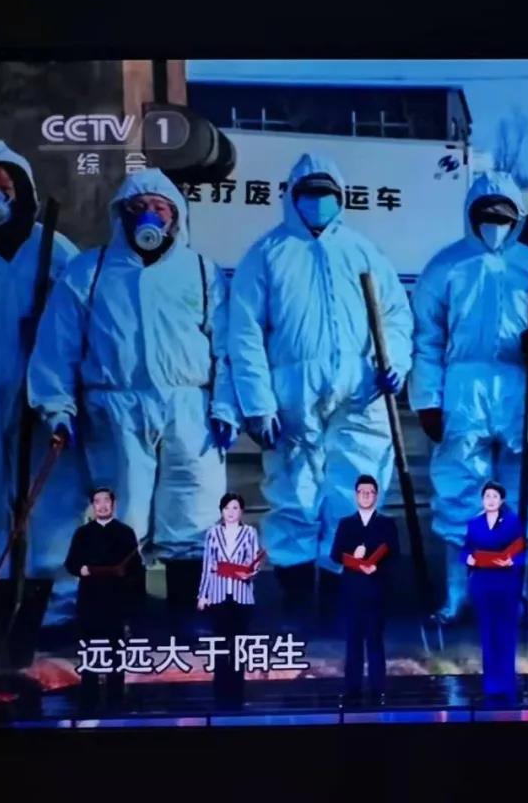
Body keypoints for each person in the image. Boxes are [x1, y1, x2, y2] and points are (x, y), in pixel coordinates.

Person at [29, 169, 239, 629]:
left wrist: (225, 405)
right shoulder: (90, 270)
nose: (149, 216)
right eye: (137, 208)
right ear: (120, 216)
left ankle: (189, 618)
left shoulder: (201, 271)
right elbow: (58, 344)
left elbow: (226, 347)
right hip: (114, 409)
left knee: (194, 511)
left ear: (175, 217)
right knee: (122, 517)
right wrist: (57, 406)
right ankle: (123, 621)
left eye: (159, 208)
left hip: (190, 408)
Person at [229, 153, 411, 625]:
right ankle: (295, 596)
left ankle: (338, 593)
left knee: (354, 491)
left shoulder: (364, 252)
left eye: (327, 192)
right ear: (292, 197)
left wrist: (394, 363)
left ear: (341, 196)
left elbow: (395, 316)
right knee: (296, 493)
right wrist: (257, 401)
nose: (319, 201)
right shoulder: (266, 254)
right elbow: (244, 332)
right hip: (293, 393)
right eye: (310, 192)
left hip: (361, 391)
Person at [410, 171, 528, 626]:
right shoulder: (446, 267)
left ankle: (521, 590)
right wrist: (428, 398)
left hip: (525, 386)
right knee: (459, 487)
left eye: (504, 216)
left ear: (518, 218)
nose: (495, 224)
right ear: (470, 215)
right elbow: (426, 339)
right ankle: (458, 591)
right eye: (486, 215)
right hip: (464, 387)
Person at [0, 140, 84, 628]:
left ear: (21, 188)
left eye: (2, 183)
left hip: (40, 394)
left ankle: (55, 604)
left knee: (52, 500)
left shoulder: (54, 250)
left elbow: (80, 323)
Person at [64, 487, 144, 712]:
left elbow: (136, 567)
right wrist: (82, 569)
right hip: (90, 599)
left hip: (115, 600)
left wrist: (128, 586)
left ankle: (116, 698)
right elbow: (71, 563)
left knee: (116, 650)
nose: (102, 505)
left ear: (113, 504)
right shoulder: (83, 533)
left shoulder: (125, 532)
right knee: (89, 649)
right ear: (92, 506)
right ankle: (88, 697)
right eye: (97, 501)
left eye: (106, 500)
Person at [330, 475, 400, 705]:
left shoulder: (387, 524)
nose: (366, 496)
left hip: (376, 590)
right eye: (362, 492)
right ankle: (352, 690)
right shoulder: (346, 524)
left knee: (375, 642)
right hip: (352, 591)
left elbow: (395, 555)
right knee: (353, 642)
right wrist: (353, 557)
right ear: (356, 495)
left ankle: (378, 690)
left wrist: (376, 566)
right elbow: (335, 554)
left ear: (376, 496)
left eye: (370, 492)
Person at [197, 492, 261, 710]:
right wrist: (203, 594)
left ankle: (237, 695)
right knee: (220, 646)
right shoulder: (213, 533)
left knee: (238, 647)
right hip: (218, 595)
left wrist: (249, 573)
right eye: (227, 508)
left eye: (235, 508)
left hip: (241, 596)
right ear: (221, 511)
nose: (231, 512)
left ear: (241, 511)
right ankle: (220, 695)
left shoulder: (249, 532)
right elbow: (207, 565)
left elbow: (254, 561)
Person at [463, 482, 525, 705]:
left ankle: (507, 683)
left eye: (495, 496)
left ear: (502, 500)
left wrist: (511, 561)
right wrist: (469, 559)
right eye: (487, 496)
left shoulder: (512, 522)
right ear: (482, 499)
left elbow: (521, 552)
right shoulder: (474, 523)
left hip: (505, 582)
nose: (490, 500)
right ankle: (491, 684)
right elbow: (466, 549)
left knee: (505, 633)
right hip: (482, 583)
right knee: (487, 633)